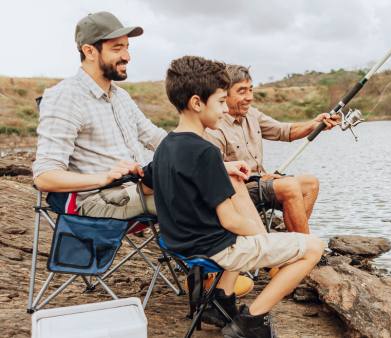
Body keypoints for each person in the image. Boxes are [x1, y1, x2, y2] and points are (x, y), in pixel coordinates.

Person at [32, 11, 255, 295]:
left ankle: (232, 268)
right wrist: (103, 177)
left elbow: (159, 140)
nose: (127, 56)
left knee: (230, 181)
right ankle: (216, 278)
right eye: (117, 48)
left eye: (127, 47)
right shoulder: (64, 97)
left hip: (141, 187)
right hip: (101, 198)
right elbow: (45, 177)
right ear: (89, 51)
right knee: (203, 197)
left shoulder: (120, 96)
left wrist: (217, 164)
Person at [144, 55, 324, 338]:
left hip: (179, 242)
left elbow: (148, 183)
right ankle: (251, 320)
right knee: (314, 247)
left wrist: (224, 171)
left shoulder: (166, 145)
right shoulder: (206, 153)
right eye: (219, 102)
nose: (224, 109)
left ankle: (220, 300)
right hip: (214, 248)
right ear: (196, 103)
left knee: (237, 185)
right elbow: (229, 220)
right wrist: (262, 238)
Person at [205, 65, 340, 234]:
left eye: (251, 90)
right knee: (289, 186)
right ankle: (304, 246)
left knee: (310, 184)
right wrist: (259, 178)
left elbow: (285, 131)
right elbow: (216, 174)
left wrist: (315, 124)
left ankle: (293, 238)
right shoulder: (214, 125)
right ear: (225, 94)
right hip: (237, 193)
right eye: (242, 91)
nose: (249, 97)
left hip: (260, 183)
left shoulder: (252, 114)